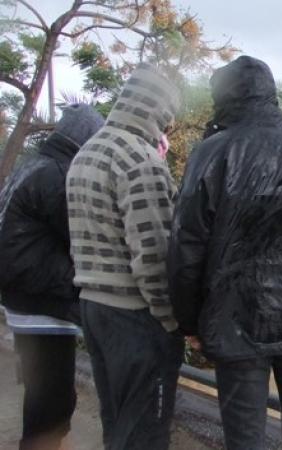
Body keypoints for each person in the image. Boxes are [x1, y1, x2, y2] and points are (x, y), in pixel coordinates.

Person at [168, 55, 282, 450]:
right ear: (271, 95)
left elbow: (186, 248)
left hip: (235, 321)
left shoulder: (210, 153)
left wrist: (189, 323)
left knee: (245, 437)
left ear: (223, 98)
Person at [66, 63, 182, 450]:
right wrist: (170, 321)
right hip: (134, 316)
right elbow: (153, 256)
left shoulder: (87, 151)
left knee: (117, 421)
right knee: (146, 430)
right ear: (156, 112)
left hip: (93, 308)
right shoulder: (139, 160)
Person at [0, 104, 104, 450]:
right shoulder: (59, 176)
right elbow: (81, 238)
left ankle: (50, 443)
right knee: (52, 399)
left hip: (22, 298)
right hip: (43, 304)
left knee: (44, 391)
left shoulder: (32, 165)